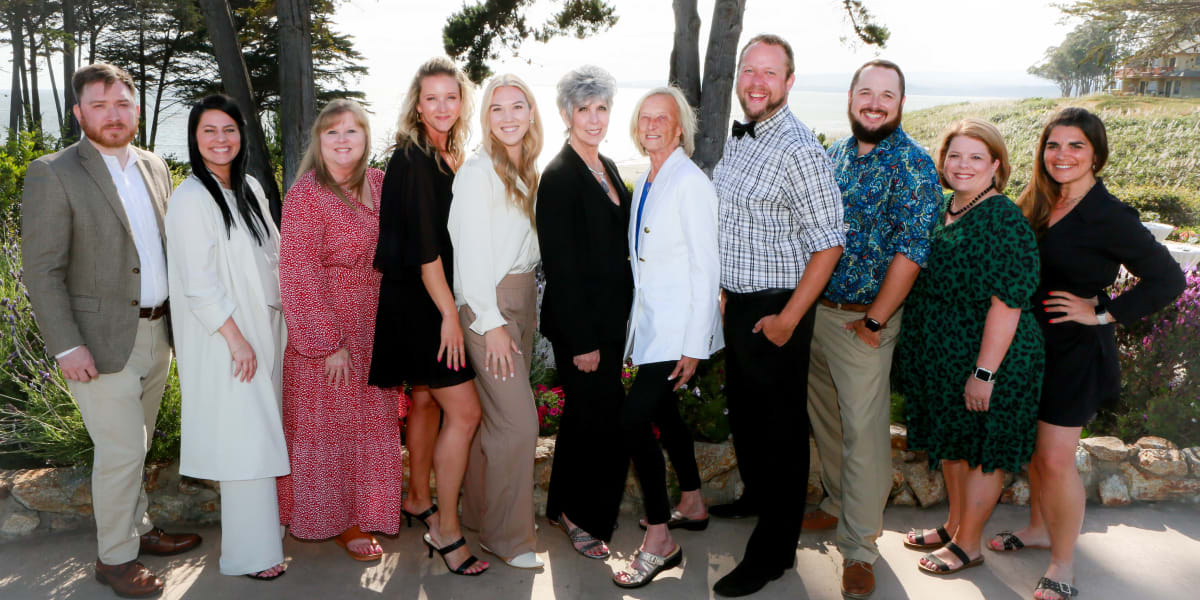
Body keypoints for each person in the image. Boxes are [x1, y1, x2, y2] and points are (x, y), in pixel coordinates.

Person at [21, 63, 201, 598]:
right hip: (96, 345)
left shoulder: (153, 165)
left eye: (122, 103)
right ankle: (114, 559)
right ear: (78, 113)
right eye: (98, 105)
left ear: (136, 109)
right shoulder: (53, 172)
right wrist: (67, 346)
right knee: (121, 451)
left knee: (137, 447)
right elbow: (43, 270)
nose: (113, 114)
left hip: (155, 334)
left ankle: (139, 531)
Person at [993, 107, 1185, 600]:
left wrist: (1101, 313)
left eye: (1076, 145)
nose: (1062, 155)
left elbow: (1169, 279)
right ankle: (1038, 528)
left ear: (1096, 153)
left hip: (1076, 352)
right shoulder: (1038, 201)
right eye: (1053, 145)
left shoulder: (1109, 214)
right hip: (1028, 346)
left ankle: (1064, 563)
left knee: (1056, 460)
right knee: (1037, 453)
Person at [711, 34, 845, 598]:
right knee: (745, 416)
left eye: (771, 73)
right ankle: (757, 500)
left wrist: (789, 317)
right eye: (750, 70)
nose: (758, 82)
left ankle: (774, 553)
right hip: (741, 304)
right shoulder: (741, 137)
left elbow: (830, 242)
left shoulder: (798, 149)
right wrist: (723, 289)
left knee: (781, 432)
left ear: (789, 82)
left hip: (778, 309)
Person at [804, 60, 942, 599]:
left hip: (866, 319)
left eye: (887, 95)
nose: (875, 102)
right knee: (828, 418)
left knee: (864, 434)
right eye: (867, 92)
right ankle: (837, 503)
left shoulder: (912, 164)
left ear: (900, 103)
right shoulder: (833, 156)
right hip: (818, 311)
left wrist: (876, 320)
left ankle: (860, 548)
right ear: (851, 97)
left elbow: (912, 251)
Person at [893, 118, 1044, 579]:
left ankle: (970, 545)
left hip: (991, 357)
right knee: (954, 444)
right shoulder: (945, 207)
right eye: (955, 155)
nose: (963, 165)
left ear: (996, 165)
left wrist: (983, 373)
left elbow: (1008, 301)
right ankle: (955, 526)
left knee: (981, 451)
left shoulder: (1002, 218)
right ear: (943, 161)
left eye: (976, 157)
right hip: (945, 354)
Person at [368, 57, 488, 576]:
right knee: (465, 412)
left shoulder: (447, 153)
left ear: (462, 102)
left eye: (451, 97)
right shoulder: (416, 158)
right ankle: (446, 530)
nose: (442, 106)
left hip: (417, 298)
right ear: (417, 105)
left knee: (424, 402)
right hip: (423, 302)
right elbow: (425, 250)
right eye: (431, 98)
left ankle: (418, 499)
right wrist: (449, 316)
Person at [165, 94, 288, 581]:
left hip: (266, 329)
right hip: (227, 339)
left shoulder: (250, 187)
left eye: (229, 130)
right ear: (195, 139)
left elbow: (275, 258)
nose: (221, 140)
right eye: (209, 131)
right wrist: (237, 340)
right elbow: (199, 284)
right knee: (244, 442)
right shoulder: (189, 198)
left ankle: (265, 537)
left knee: (259, 435)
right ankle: (248, 555)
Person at [277, 99, 404, 562]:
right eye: (332, 132)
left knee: (370, 426)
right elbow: (298, 270)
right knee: (327, 431)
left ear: (367, 138)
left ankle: (368, 509)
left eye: (353, 131)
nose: (343, 140)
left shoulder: (379, 183)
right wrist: (328, 342)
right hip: (328, 328)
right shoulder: (306, 194)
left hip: (376, 324)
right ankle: (339, 520)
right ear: (319, 141)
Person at [610, 85, 723, 589]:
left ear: (680, 129)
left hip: (679, 329)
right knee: (663, 413)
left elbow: (706, 266)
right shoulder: (646, 180)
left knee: (634, 420)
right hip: (652, 324)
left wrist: (695, 344)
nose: (652, 125)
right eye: (645, 118)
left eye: (663, 119)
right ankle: (693, 503)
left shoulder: (690, 181)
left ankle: (661, 540)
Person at [449, 73, 544, 570]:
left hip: (521, 299)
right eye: (497, 108)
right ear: (484, 118)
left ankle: (482, 522)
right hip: (492, 308)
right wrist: (491, 321)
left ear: (531, 114)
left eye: (518, 106)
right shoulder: (478, 171)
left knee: (494, 422)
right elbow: (469, 258)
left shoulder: (522, 168)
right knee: (519, 423)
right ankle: (511, 539)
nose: (508, 116)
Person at [536, 65, 632, 561]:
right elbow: (562, 267)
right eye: (584, 109)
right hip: (582, 328)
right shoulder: (558, 177)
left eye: (602, 108)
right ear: (565, 113)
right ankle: (576, 513)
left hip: (611, 323)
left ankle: (565, 507)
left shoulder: (608, 166)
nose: (594, 118)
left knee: (591, 417)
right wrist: (583, 341)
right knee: (593, 420)